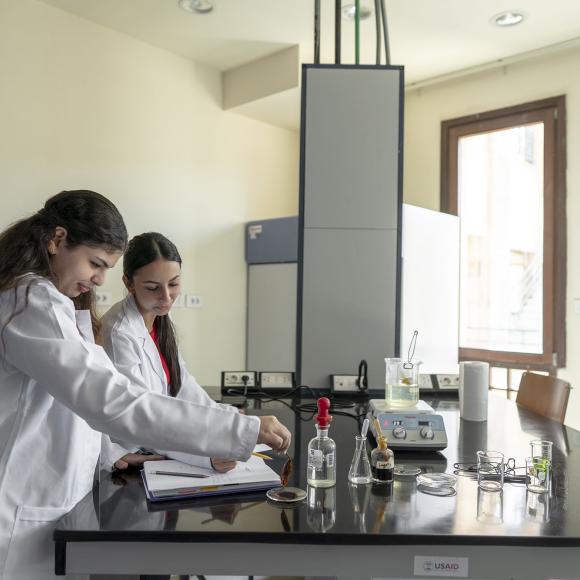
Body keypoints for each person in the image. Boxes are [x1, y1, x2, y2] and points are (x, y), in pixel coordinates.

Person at [0, 190, 291, 578]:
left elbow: (79, 399)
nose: (99, 280)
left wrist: (108, 453)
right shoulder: (33, 300)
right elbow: (112, 402)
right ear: (57, 240)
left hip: (53, 500)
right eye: (95, 263)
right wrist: (242, 428)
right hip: (24, 508)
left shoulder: (53, 301)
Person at [100, 232, 240, 473]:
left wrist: (228, 422)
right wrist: (203, 457)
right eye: (153, 287)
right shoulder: (118, 332)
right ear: (128, 283)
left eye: (173, 284)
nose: (166, 297)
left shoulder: (159, 317)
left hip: (160, 447)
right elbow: (143, 417)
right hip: (132, 454)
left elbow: (182, 384)